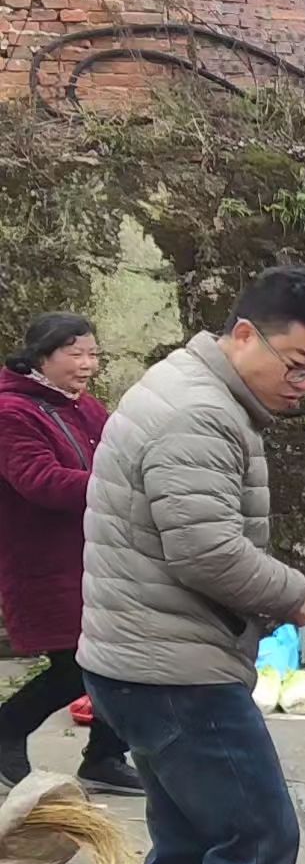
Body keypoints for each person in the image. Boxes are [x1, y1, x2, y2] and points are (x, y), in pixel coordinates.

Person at [78, 265, 305, 864]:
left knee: (190, 846)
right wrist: (291, 591)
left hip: (142, 658)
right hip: (174, 673)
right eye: (298, 366)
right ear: (242, 334)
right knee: (259, 839)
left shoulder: (189, 387)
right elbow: (204, 549)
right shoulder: (197, 413)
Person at [0, 314, 141, 795]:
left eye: (93, 354)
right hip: (46, 561)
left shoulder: (84, 407)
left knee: (118, 656)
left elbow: (121, 455)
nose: (87, 365)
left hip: (97, 555)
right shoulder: (13, 412)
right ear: (42, 356)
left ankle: (104, 755)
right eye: (75, 354)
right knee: (78, 667)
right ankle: (8, 729)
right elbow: (39, 481)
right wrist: (119, 487)